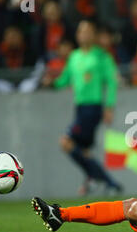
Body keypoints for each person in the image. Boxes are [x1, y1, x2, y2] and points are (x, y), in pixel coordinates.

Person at [42, 20, 123, 196]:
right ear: (77, 35)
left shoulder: (102, 56)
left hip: (93, 108)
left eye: (88, 31)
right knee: (84, 151)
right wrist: (52, 83)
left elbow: (111, 82)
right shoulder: (74, 57)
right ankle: (110, 183)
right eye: (81, 31)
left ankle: (97, 178)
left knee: (66, 142)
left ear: (94, 35)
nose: (84, 34)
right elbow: (65, 80)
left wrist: (109, 107)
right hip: (79, 108)